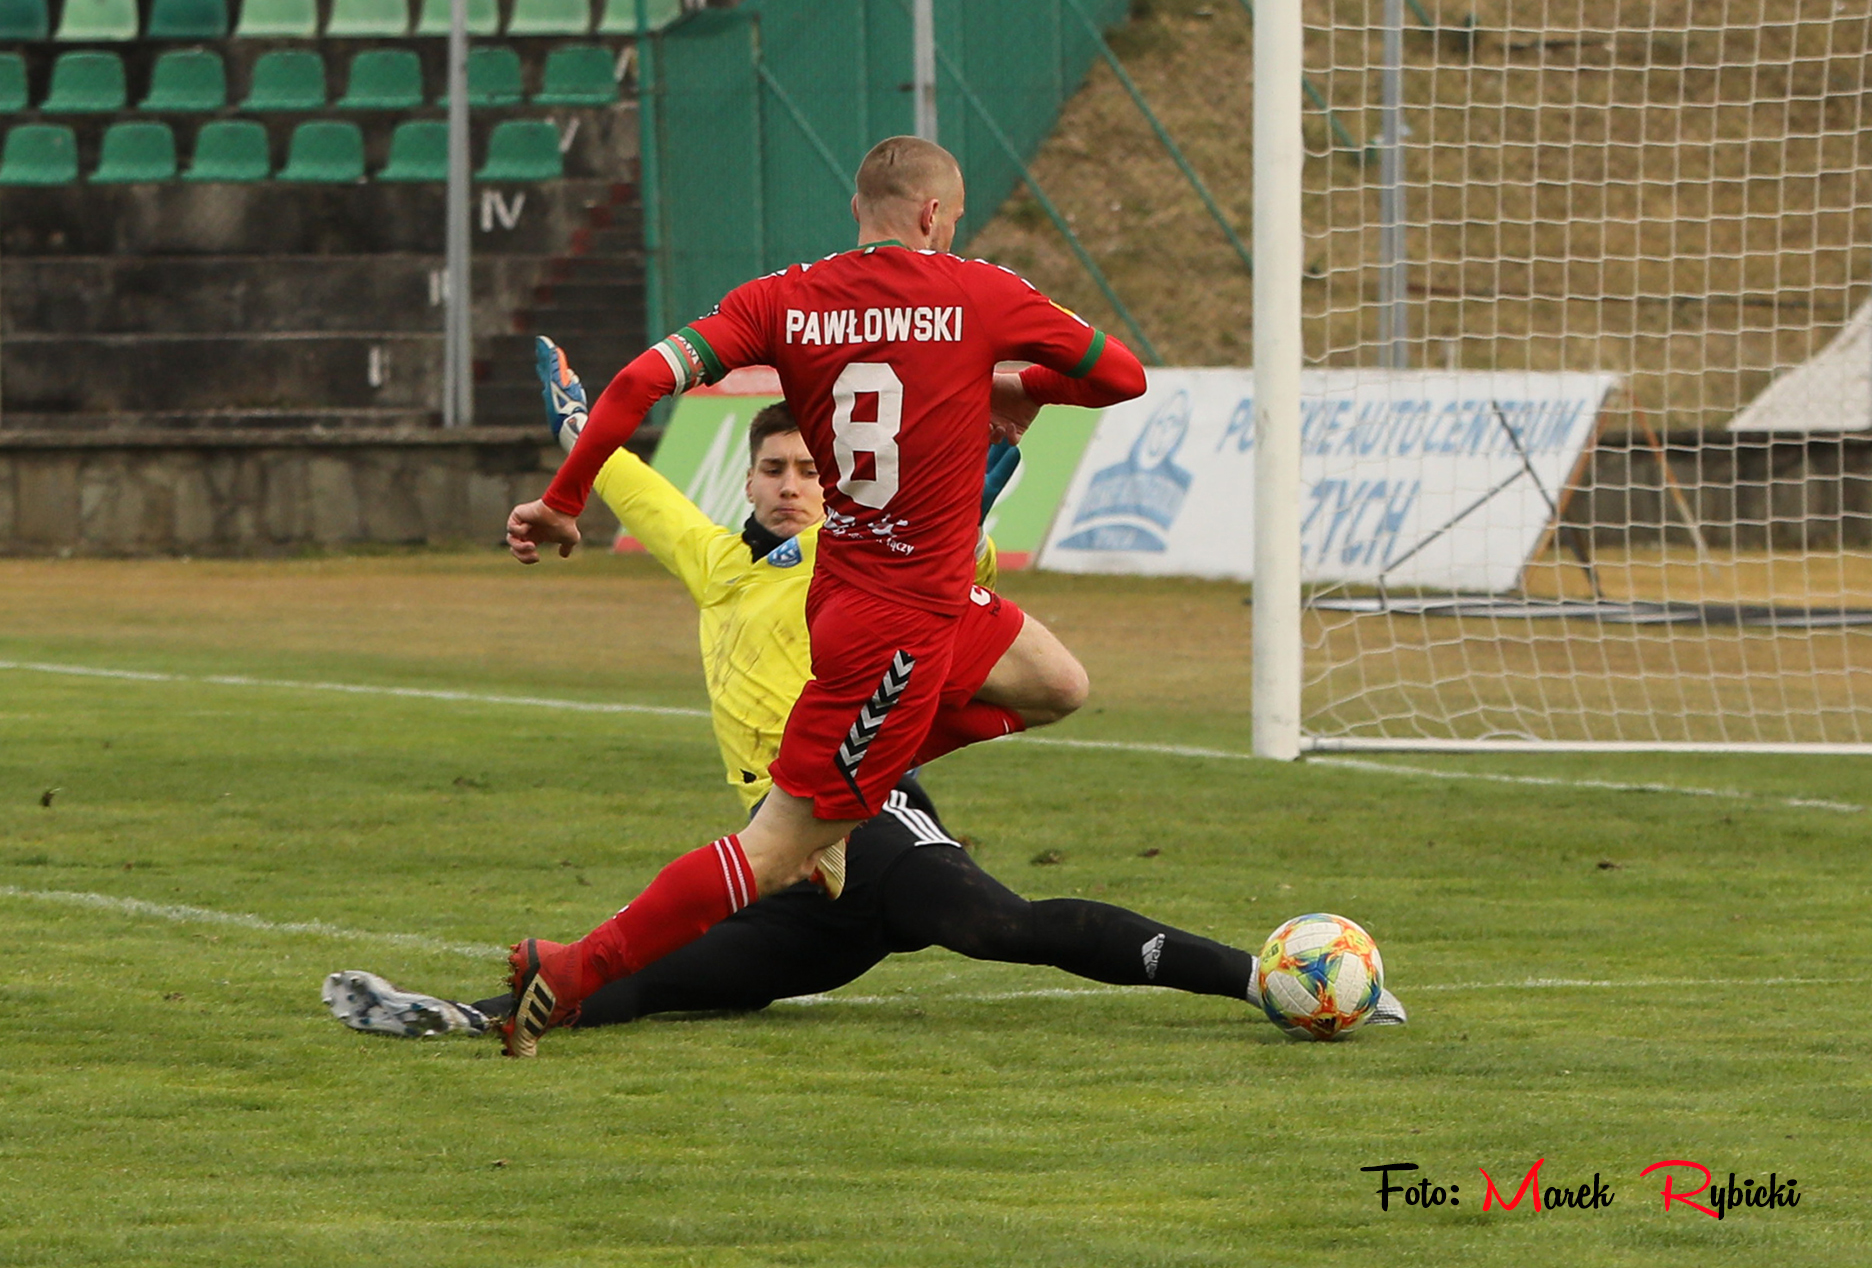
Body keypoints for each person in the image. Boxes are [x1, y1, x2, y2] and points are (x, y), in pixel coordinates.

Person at [322, 342, 1382, 1041]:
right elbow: (625, 481)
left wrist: (978, 479)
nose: (790, 485)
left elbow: (961, 539)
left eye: (807, 470)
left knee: (999, 927)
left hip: (867, 813)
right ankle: (463, 1015)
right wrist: (576, 421)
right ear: (745, 479)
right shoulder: (715, 562)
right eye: (773, 469)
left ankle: (1260, 978)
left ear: (834, 481)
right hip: (787, 846)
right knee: (681, 979)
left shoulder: (864, 554)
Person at [491, 136, 1155, 1057]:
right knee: (777, 848)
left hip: (857, 587)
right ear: (934, 214)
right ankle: (571, 970)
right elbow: (1121, 375)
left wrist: (564, 499)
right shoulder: (980, 292)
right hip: (898, 620)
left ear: (858, 209)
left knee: (1056, 684)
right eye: (952, 219)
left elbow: (641, 380)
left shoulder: (783, 298)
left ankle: (854, 797)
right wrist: (1012, 381)